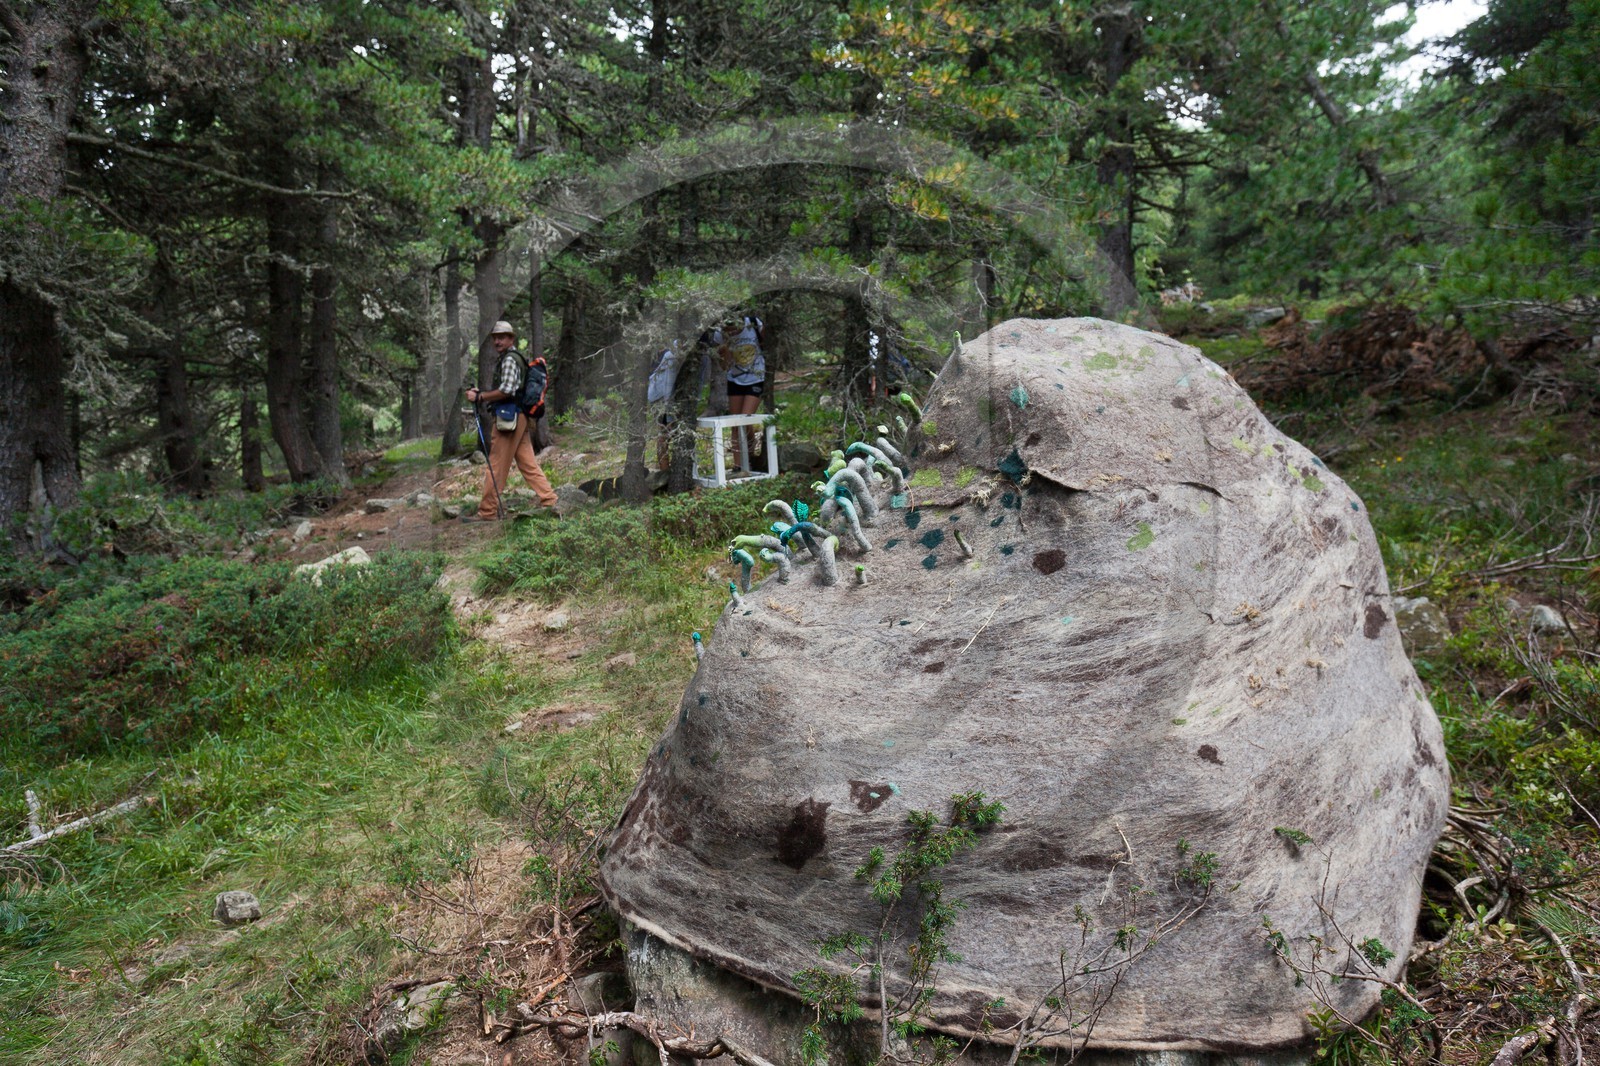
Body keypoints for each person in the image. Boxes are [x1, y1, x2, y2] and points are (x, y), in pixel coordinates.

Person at [464, 320, 557, 521]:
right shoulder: (515, 358)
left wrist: (480, 397)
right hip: (519, 418)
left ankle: (487, 512)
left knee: (496, 465)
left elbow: (507, 390)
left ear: (511, 339)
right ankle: (550, 500)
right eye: (495, 337)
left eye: (502, 337)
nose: (497, 341)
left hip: (509, 419)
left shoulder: (509, 360)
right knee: (528, 463)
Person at [721, 314, 765, 469]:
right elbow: (724, 365)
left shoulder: (753, 323)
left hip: (756, 377)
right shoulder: (720, 333)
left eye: (735, 329)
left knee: (745, 419)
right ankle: (738, 465)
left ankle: (751, 456)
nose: (733, 332)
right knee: (736, 423)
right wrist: (726, 345)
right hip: (735, 379)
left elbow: (767, 343)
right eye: (729, 330)